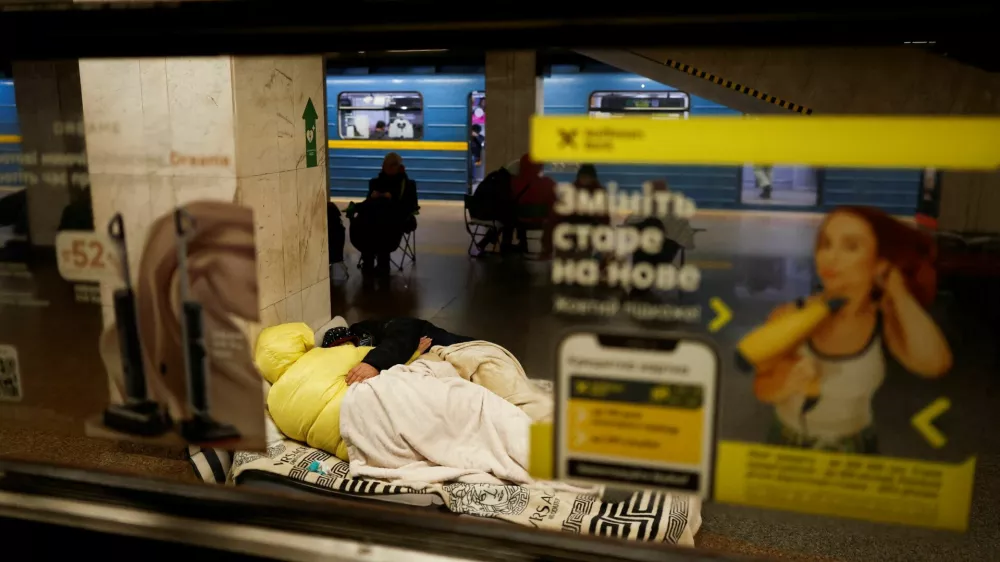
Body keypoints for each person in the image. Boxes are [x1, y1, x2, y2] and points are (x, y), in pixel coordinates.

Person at [752, 206, 952, 454]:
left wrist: (898, 291)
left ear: (879, 262)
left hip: (854, 448)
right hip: (786, 443)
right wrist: (787, 385)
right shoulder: (789, 314)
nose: (830, 257)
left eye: (850, 247)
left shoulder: (884, 321)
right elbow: (761, 386)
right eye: (825, 244)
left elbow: (935, 364)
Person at [320, 317, 474, 385]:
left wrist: (375, 363)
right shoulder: (339, 369)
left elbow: (405, 328)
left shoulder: (363, 331)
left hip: (437, 345)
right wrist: (413, 355)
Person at [473, 154, 555, 256]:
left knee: (508, 216)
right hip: (541, 221)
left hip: (519, 219)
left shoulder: (513, 182)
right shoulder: (548, 183)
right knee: (510, 216)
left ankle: (504, 244)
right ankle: (520, 245)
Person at [358, 152, 419, 279]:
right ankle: (370, 260)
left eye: (392, 165)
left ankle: (381, 262)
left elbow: (410, 205)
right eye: (386, 165)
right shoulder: (375, 182)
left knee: (381, 225)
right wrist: (373, 197)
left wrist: (392, 199)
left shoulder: (407, 184)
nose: (387, 168)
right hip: (375, 220)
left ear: (399, 167)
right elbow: (368, 202)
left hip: (396, 219)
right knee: (366, 222)